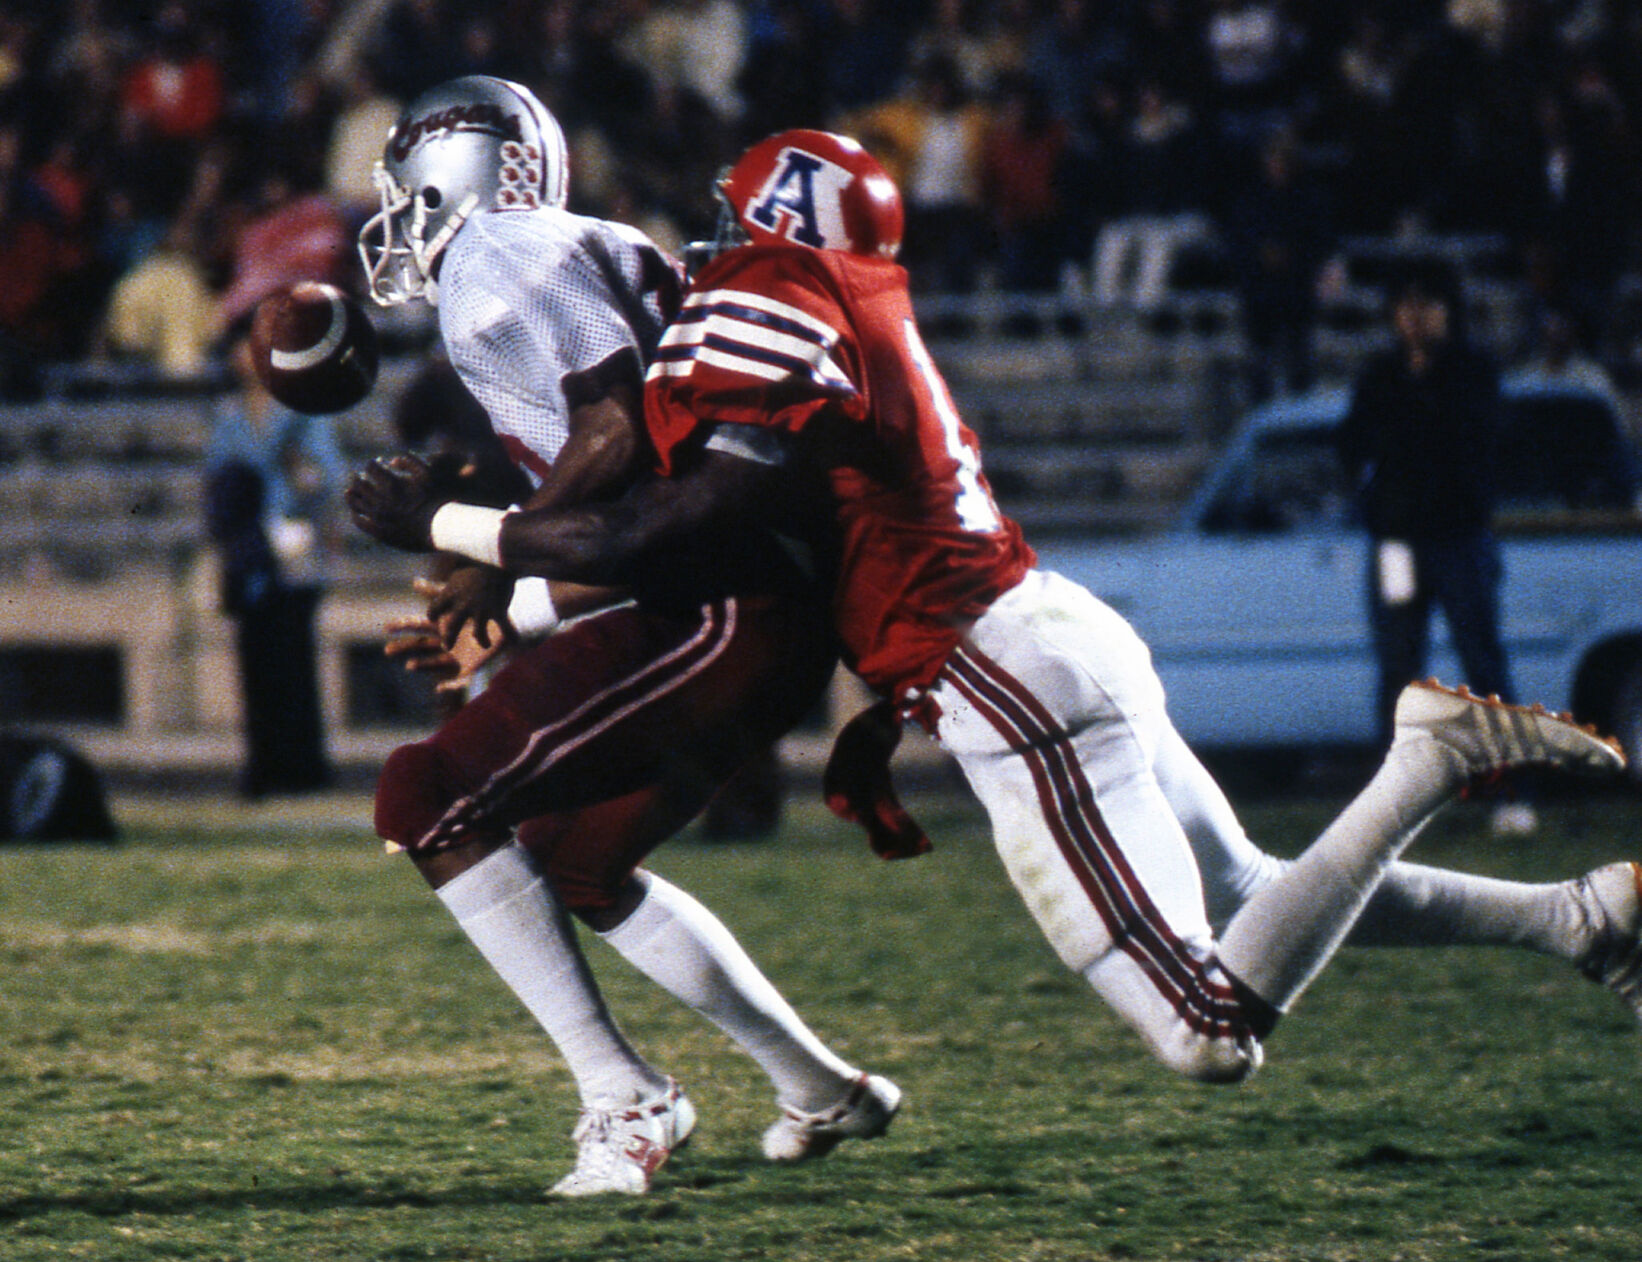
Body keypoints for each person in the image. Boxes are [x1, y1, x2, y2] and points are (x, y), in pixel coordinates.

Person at [350, 130, 1642, 1094]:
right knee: (1251, 882)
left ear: (777, 227)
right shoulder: (859, 298)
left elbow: (678, 525)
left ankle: (1421, 758)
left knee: (1205, 1031)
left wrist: (449, 527)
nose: (715, 241)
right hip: (1052, 618)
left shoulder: (773, 300)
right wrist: (518, 604)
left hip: (996, 670)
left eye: (736, 219)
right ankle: (1572, 918)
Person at [351, 77, 898, 1197]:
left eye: (410, 186)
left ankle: (625, 1094)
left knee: (425, 796)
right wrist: (512, 597)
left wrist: (487, 545)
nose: (399, 214)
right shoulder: (590, 241)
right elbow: (640, 497)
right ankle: (822, 1087)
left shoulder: (496, 253)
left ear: (462, 169)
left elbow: (618, 442)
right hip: (734, 594)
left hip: (718, 602)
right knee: (579, 861)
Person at [1336, 264, 1520, 791]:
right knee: (1397, 670)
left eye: (1428, 304)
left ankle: (1510, 789)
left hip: (1459, 539)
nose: (1416, 317)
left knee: (1482, 663)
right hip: (1398, 543)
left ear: (1448, 311)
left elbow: (1487, 444)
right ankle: (1392, 798)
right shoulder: (1380, 374)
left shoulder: (1473, 371)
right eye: (1406, 305)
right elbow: (1350, 445)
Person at [205, 328, 341, 798]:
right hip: (251, 551)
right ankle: (262, 761)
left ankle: (301, 765)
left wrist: (304, 479)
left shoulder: (302, 413)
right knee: (254, 659)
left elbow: (327, 476)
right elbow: (218, 479)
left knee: (293, 657)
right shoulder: (228, 416)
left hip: (295, 544)